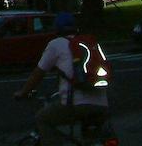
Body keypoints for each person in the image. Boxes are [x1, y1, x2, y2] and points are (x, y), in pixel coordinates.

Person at [14, 12, 109, 145]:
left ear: (57, 29)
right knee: (91, 137)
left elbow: (38, 73)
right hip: (102, 105)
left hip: (76, 106)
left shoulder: (56, 44)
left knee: (42, 119)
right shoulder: (89, 43)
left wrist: (23, 92)